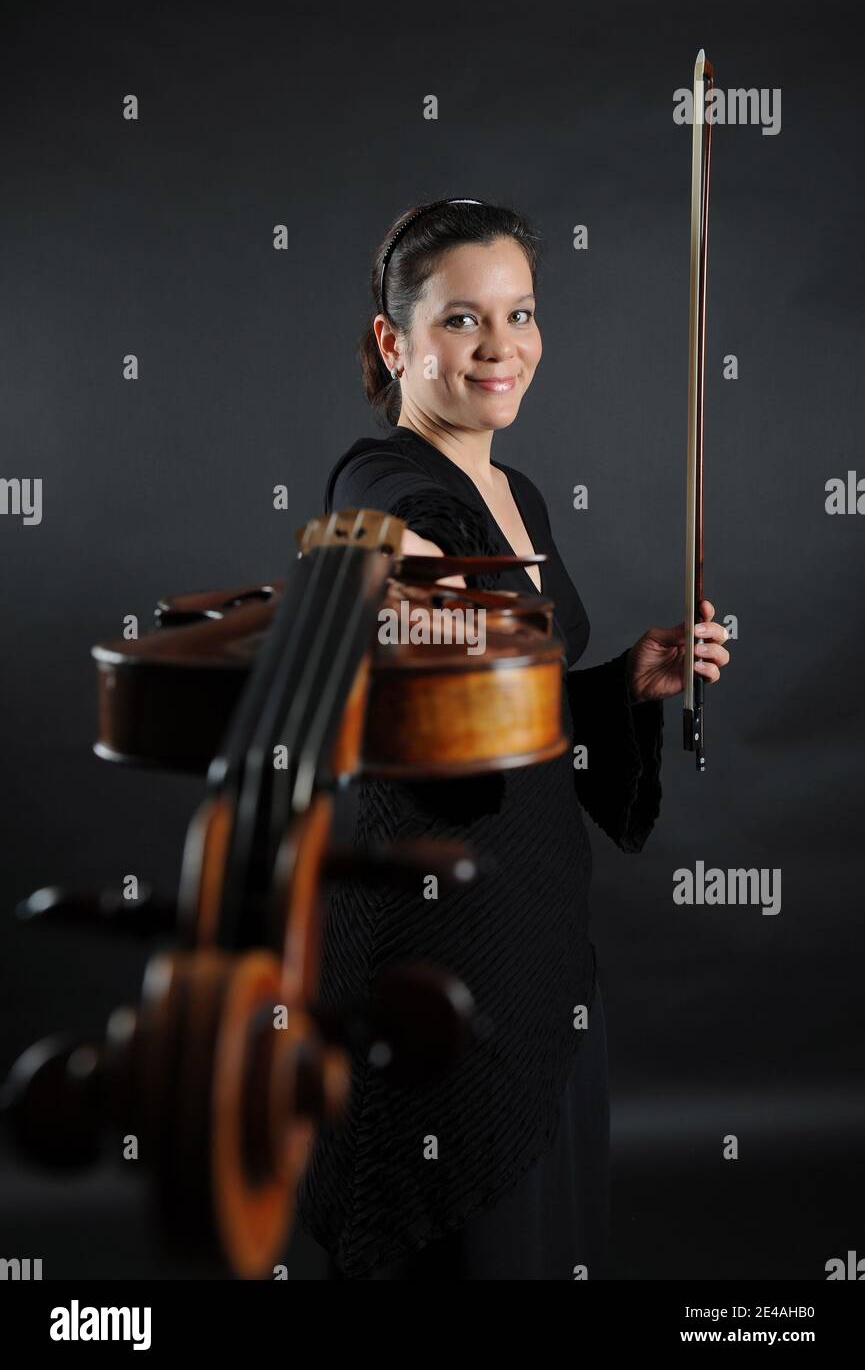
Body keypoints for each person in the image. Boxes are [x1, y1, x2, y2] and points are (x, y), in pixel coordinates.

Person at [295, 198, 730, 1280]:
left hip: (535, 925)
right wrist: (413, 599)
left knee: (546, 1226)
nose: (503, 347)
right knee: (460, 1231)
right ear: (396, 342)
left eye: (521, 312)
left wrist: (620, 685)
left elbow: (512, 703)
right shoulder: (381, 480)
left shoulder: (517, 487)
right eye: (460, 320)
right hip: (440, 932)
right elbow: (387, 562)